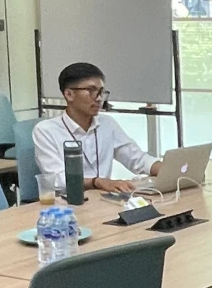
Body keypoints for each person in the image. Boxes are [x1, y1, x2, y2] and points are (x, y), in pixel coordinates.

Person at [32, 63, 161, 194]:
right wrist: (97, 182)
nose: (99, 98)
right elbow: (57, 180)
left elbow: (137, 159)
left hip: (103, 199)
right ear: (69, 94)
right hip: (69, 202)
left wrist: (166, 170)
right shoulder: (46, 131)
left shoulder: (107, 124)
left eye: (101, 92)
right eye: (91, 91)